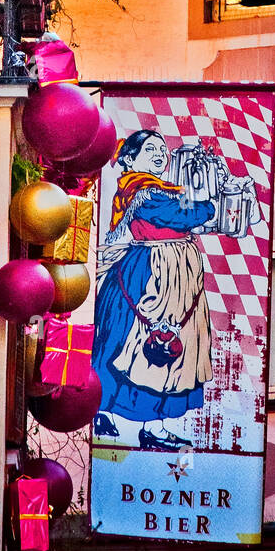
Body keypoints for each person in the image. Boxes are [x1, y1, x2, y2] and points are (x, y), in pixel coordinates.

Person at [92, 129, 216, 450]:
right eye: (150, 150)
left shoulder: (163, 189)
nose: (160, 154)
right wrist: (207, 203)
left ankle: (155, 425)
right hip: (151, 271)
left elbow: (186, 210)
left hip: (179, 273)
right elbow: (184, 214)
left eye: (162, 149)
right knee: (129, 339)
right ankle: (104, 411)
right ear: (130, 159)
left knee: (177, 346)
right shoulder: (141, 191)